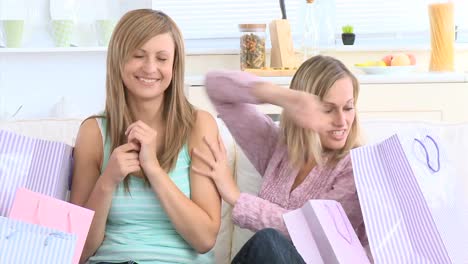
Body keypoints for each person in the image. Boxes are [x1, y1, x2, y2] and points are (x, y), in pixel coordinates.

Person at [70, 9, 221, 264]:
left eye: (162, 58)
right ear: (119, 60)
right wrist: (108, 181)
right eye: (138, 55)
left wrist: (153, 169)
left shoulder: (198, 125)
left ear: (174, 65)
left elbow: (205, 239)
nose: (150, 68)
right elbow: (78, 250)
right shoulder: (93, 132)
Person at [191, 55, 370, 263]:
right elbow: (215, 86)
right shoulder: (277, 149)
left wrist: (236, 197)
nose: (342, 121)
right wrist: (280, 96)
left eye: (348, 107)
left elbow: (317, 237)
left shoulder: (356, 167)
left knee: (268, 241)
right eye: (328, 110)